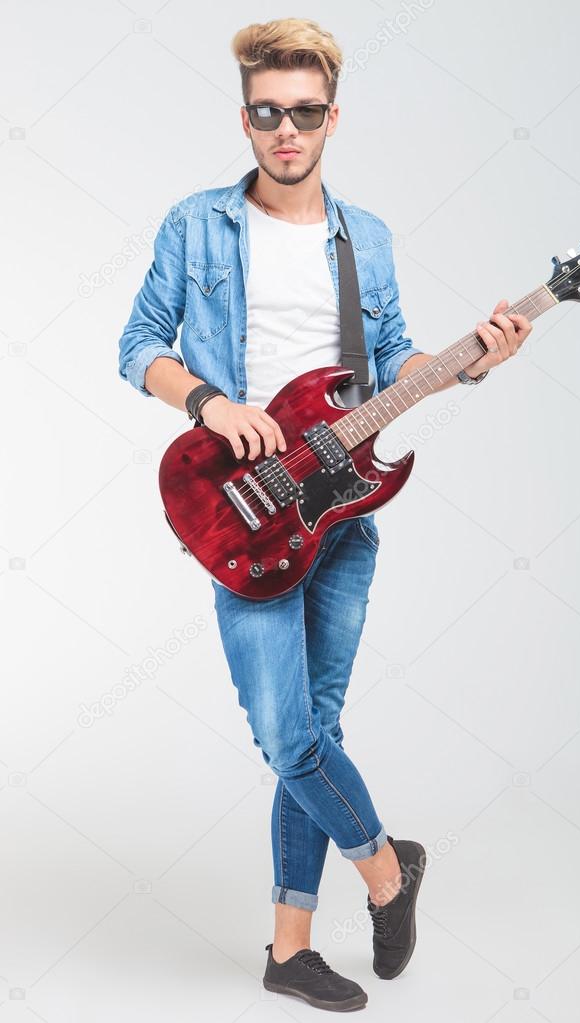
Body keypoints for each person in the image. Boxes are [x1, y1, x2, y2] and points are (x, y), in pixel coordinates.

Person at [117, 16, 532, 1012]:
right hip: (244, 511)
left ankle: (288, 950)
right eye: (268, 112)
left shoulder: (367, 240)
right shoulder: (197, 225)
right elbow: (138, 346)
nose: (286, 130)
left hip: (340, 515)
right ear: (248, 115)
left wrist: (469, 359)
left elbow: (389, 368)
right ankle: (388, 870)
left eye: (305, 113)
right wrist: (213, 404)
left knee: (317, 723)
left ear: (332, 118)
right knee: (285, 735)